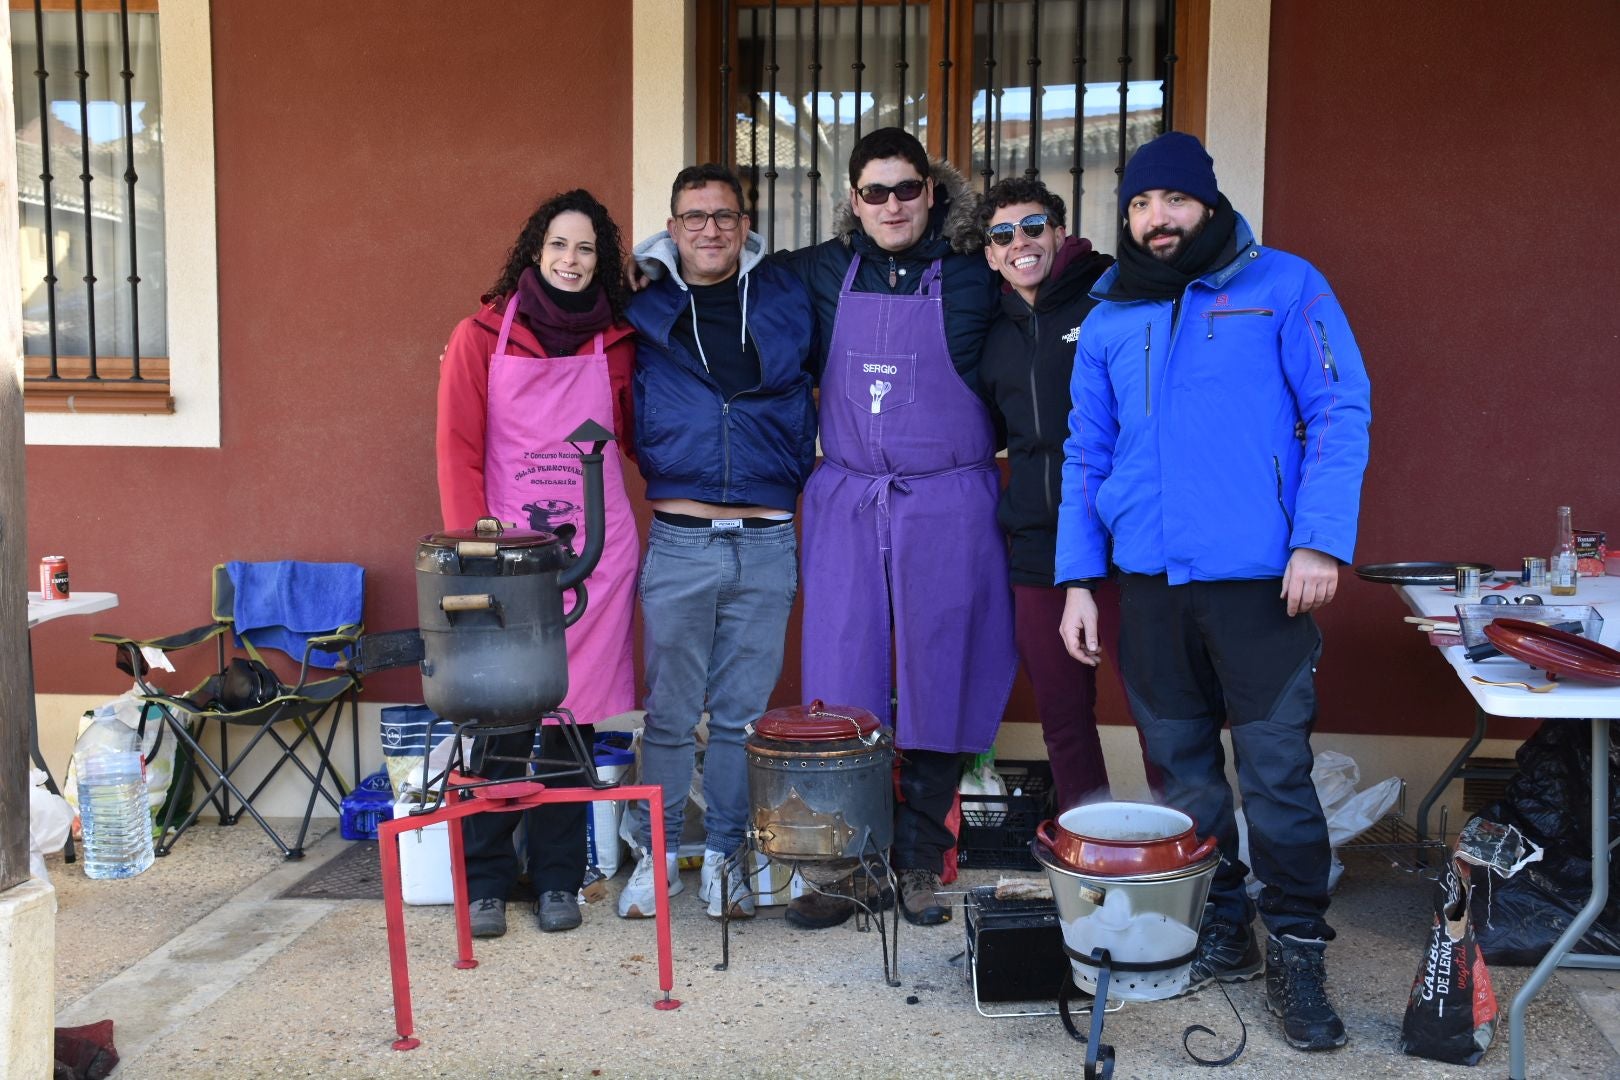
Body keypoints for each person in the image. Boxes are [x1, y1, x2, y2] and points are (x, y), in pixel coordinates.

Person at [1055, 131, 1372, 1051]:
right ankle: (1222, 921)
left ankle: (1300, 948)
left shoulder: (1284, 285)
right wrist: (1080, 577)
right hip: (1148, 585)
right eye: (1142, 206)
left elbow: (1338, 410)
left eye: (1174, 203)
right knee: (1182, 772)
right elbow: (1086, 453)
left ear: (1208, 202)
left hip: (1261, 585)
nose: (1157, 221)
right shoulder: (1111, 311)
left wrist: (1319, 541)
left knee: (1275, 776)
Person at [784, 127, 1013, 929]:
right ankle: (847, 863)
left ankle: (918, 861)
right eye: (874, 192)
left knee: (939, 680)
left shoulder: (975, 272)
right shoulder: (817, 271)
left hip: (949, 502)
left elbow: (1048, 284)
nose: (891, 205)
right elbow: (720, 282)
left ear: (931, 191)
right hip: (848, 501)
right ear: (853, 200)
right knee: (841, 680)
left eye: (906, 189)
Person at [436, 189, 640, 937]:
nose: (571, 260)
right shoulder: (481, 335)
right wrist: (474, 547)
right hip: (507, 561)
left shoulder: (618, 340)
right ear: (534, 251)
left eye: (586, 248)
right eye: (559, 245)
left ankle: (558, 878)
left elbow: (633, 434)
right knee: (499, 721)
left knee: (570, 726)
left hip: (595, 560)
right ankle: (486, 883)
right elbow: (457, 446)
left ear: (602, 260)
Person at [617, 164, 817, 921]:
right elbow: (562, 291)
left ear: (746, 226)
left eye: (724, 216)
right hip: (680, 538)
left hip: (767, 541)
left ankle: (726, 856)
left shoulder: (785, 296)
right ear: (672, 227)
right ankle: (658, 856)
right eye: (694, 216)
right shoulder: (642, 304)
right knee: (669, 714)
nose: (710, 229)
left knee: (738, 718)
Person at [976, 176, 1147, 812]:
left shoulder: (1110, 297)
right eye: (1001, 235)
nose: (1019, 242)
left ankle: (1179, 858)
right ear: (989, 253)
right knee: (1064, 717)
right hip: (1037, 544)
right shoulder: (989, 325)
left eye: (1033, 227)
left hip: (1125, 540)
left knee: (1159, 709)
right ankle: (1091, 854)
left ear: (1059, 232)